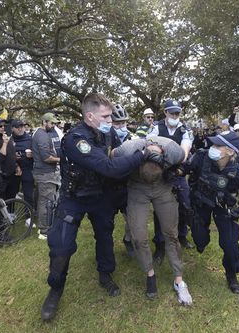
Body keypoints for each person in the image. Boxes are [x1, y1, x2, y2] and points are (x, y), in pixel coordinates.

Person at [41, 93, 150, 321]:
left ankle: (105, 274)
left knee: (105, 235)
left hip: (101, 195)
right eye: (106, 116)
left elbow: (120, 154)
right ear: (90, 116)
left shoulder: (108, 133)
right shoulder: (75, 139)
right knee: (61, 245)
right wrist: (143, 155)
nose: (111, 121)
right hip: (74, 197)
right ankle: (56, 288)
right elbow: (109, 166)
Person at [112, 136, 193, 305]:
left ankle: (179, 279)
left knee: (171, 233)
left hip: (163, 187)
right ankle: (150, 274)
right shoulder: (128, 149)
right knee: (139, 237)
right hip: (137, 188)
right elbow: (111, 154)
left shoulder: (172, 151)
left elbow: (185, 154)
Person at [187, 131, 239, 294]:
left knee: (230, 245)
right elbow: (185, 168)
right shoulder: (201, 157)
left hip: (224, 207)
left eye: (219, 145)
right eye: (213, 144)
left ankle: (231, 275)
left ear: (230, 151)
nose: (213, 148)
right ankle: (201, 241)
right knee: (200, 240)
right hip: (201, 202)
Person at [147, 99, 194, 265]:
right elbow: (151, 145)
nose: (175, 115)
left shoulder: (184, 129)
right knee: (160, 210)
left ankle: (182, 235)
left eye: (178, 113)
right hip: (160, 173)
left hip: (179, 172)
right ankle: (159, 245)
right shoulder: (156, 128)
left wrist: (179, 156)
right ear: (165, 112)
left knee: (185, 205)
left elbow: (185, 149)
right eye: (172, 112)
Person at [111, 104, 135, 257]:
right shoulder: (103, 138)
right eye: (117, 123)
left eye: (123, 123)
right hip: (108, 187)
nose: (121, 126)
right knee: (106, 223)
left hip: (127, 186)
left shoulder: (133, 138)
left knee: (132, 220)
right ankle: (106, 248)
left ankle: (128, 240)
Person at [32, 112, 61, 239]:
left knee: (45, 200)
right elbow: (46, 158)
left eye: (54, 123)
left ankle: (46, 227)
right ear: (44, 122)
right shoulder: (42, 136)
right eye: (51, 123)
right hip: (45, 173)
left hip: (44, 172)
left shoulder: (42, 134)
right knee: (46, 202)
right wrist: (61, 159)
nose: (53, 125)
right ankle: (44, 231)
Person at [12, 119, 34, 210]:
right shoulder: (9, 139)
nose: (20, 129)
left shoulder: (30, 138)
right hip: (13, 170)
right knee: (12, 193)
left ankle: (29, 216)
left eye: (22, 126)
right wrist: (14, 157)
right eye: (18, 127)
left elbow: (37, 153)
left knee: (28, 194)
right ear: (12, 128)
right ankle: (11, 213)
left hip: (27, 168)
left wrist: (32, 154)